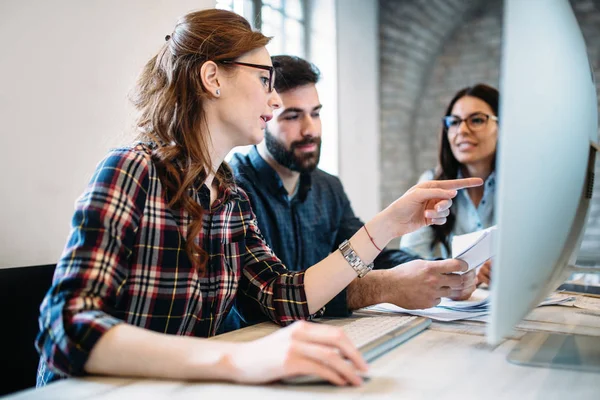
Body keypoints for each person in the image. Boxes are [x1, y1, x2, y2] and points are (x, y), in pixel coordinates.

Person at [35, 9, 482, 388]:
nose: (273, 97)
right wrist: (239, 362)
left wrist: (387, 224)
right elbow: (66, 329)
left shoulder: (229, 194)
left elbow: (287, 295)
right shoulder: (133, 169)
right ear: (212, 77)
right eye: (265, 79)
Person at [223, 55, 479, 332]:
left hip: (324, 334)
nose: (311, 129)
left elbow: (368, 254)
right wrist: (384, 287)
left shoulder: (327, 187)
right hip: (256, 343)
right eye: (293, 116)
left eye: (316, 113)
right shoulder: (233, 187)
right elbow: (267, 299)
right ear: (265, 116)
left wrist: (436, 271)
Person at [400, 84, 499, 286]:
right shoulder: (432, 185)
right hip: (460, 306)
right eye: (454, 122)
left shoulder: (525, 188)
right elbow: (409, 257)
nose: (462, 130)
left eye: (477, 120)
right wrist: (448, 274)